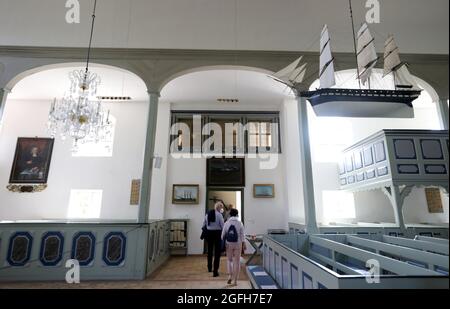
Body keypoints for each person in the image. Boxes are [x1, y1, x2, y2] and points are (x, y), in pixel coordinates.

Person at [221, 208, 245, 286]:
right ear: (237, 214)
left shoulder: (227, 222)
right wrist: (244, 243)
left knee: (229, 260)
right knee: (237, 261)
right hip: (238, 243)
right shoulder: (240, 223)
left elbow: (222, 235)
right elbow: (242, 235)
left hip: (229, 244)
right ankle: (235, 281)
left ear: (230, 214)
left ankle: (230, 276)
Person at [203, 202, 224, 277]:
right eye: (221, 207)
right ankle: (215, 271)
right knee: (217, 253)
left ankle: (209, 268)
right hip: (217, 234)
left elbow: (204, 224)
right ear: (219, 207)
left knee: (210, 251)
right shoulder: (219, 215)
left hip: (209, 233)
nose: (222, 209)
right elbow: (222, 225)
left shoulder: (208, 214)